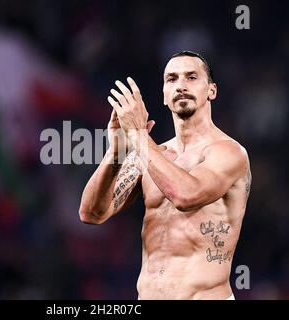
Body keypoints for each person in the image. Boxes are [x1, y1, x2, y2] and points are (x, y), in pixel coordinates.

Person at [79, 51, 251, 300]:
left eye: (191, 77)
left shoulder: (229, 153)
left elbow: (185, 196)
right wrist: (116, 152)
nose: (181, 85)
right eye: (172, 79)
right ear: (163, 95)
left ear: (211, 91)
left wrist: (138, 136)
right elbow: (91, 213)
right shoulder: (152, 153)